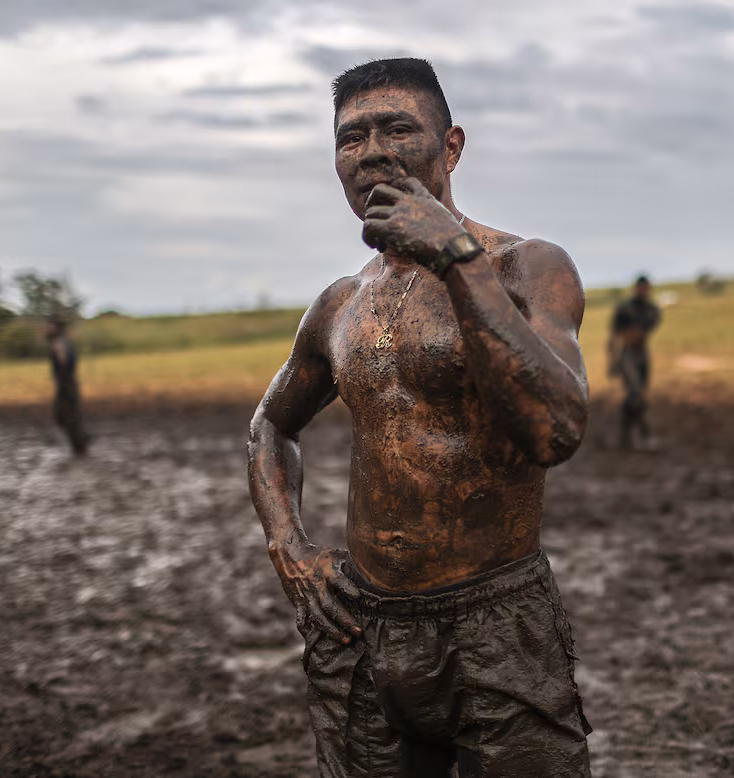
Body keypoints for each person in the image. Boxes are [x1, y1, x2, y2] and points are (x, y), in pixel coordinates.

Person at [246, 58, 592, 777]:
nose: (371, 149)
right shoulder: (340, 303)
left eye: (397, 128)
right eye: (351, 137)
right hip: (361, 631)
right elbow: (271, 426)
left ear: (452, 146)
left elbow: (555, 429)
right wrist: (291, 550)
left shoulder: (526, 266)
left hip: (496, 622)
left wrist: (457, 260)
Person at [608, 275, 661, 449]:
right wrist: (612, 360)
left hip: (642, 355)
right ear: (636, 288)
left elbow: (646, 328)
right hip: (627, 356)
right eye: (640, 288)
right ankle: (647, 434)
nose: (643, 291)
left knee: (634, 397)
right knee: (637, 393)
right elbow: (614, 336)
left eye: (645, 288)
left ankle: (624, 438)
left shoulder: (652, 310)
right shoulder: (625, 310)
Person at [46, 318, 90, 455]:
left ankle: (80, 443)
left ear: (57, 329)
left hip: (67, 384)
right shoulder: (60, 342)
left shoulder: (61, 343)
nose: (47, 329)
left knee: (66, 415)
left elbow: (66, 363)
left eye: (50, 327)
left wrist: (60, 354)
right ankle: (80, 441)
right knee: (64, 415)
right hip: (64, 383)